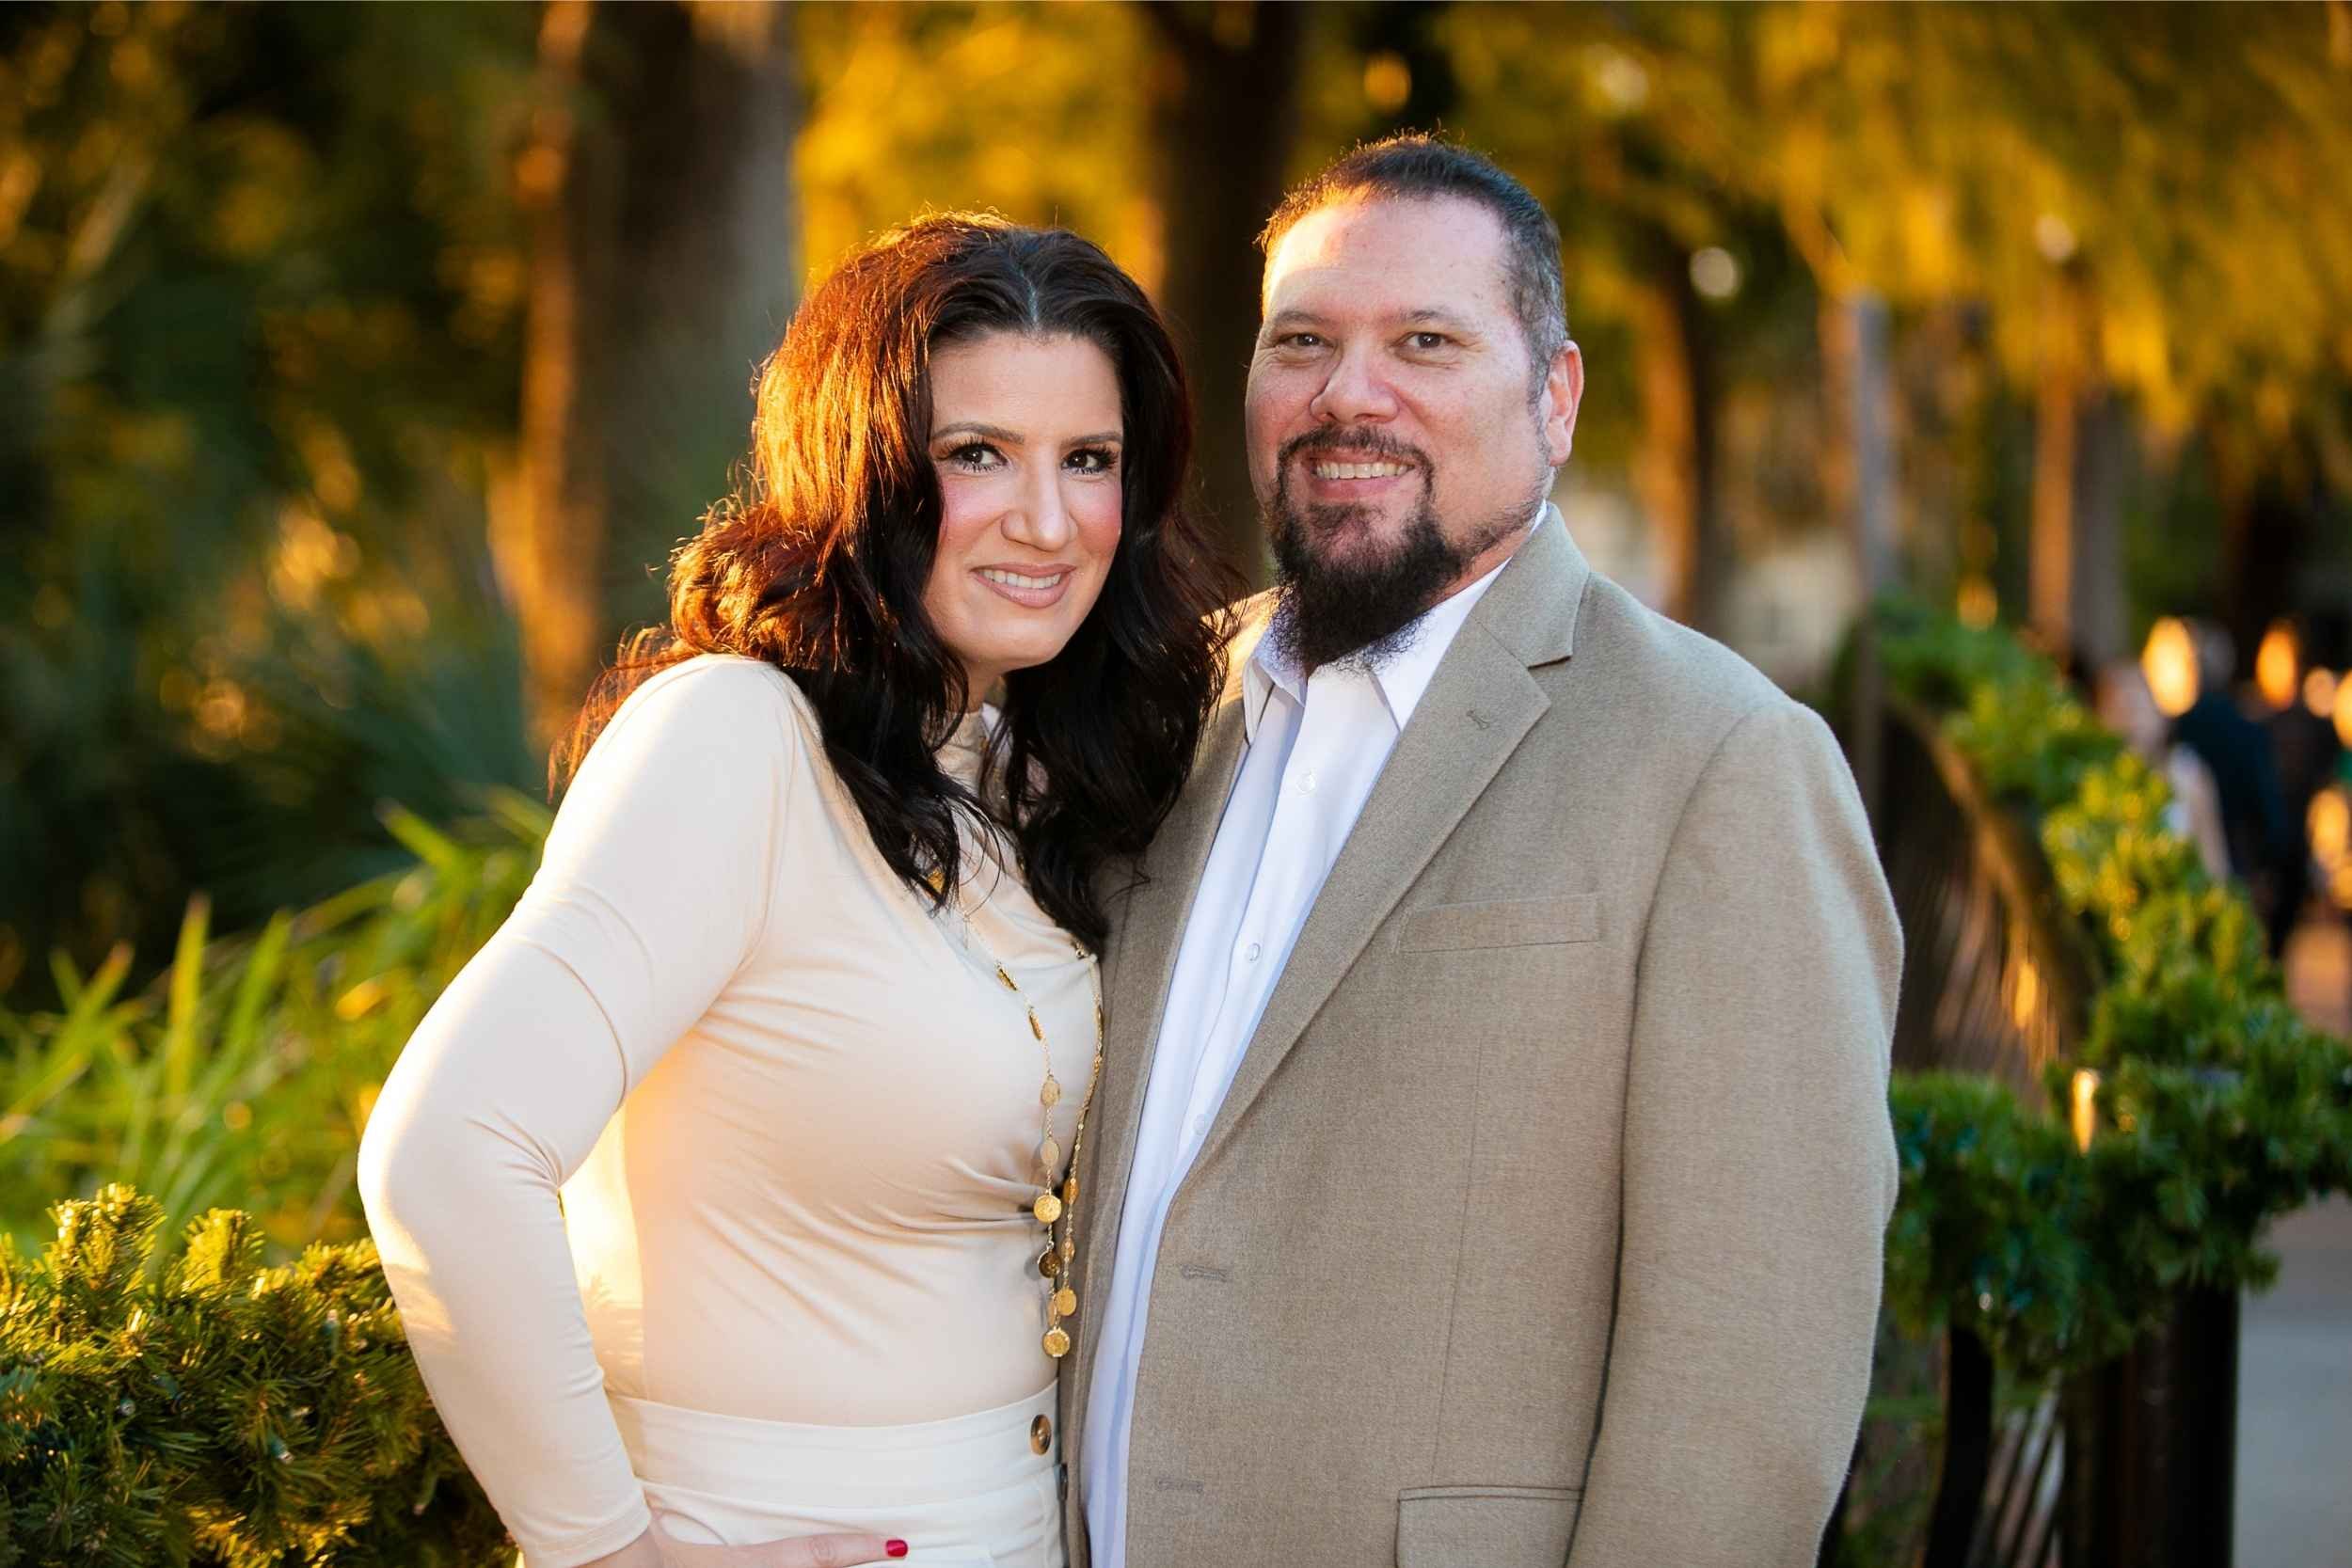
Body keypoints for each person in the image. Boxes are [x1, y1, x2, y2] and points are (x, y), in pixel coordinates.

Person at [1064, 135, 1901, 1568]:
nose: (1350, 394)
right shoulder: (1162, 715)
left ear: (1554, 394)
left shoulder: (1720, 764)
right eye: (1304, 341)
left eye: (1426, 342)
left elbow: (1744, 1397)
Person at [358, 214, 1230, 1568]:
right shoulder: (735, 738)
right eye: (977, 455)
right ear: (865, 470)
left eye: (1091, 461)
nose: (1048, 520)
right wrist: (605, 1555)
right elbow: (446, 1152)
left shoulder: (1020, 777)